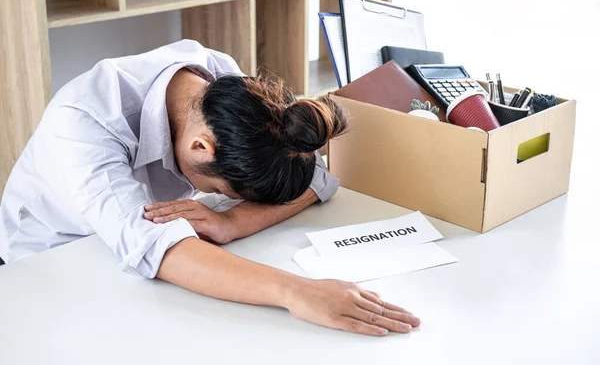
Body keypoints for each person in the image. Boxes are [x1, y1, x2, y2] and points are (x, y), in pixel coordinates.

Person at [0, 40, 420, 336]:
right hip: (49, 260)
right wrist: (298, 291)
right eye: (227, 190)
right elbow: (156, 248)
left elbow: (316, 179)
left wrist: (235, 221)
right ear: (201, 148)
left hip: (143, 238)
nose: (232, 200)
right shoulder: (85, 121)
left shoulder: (222, 83)